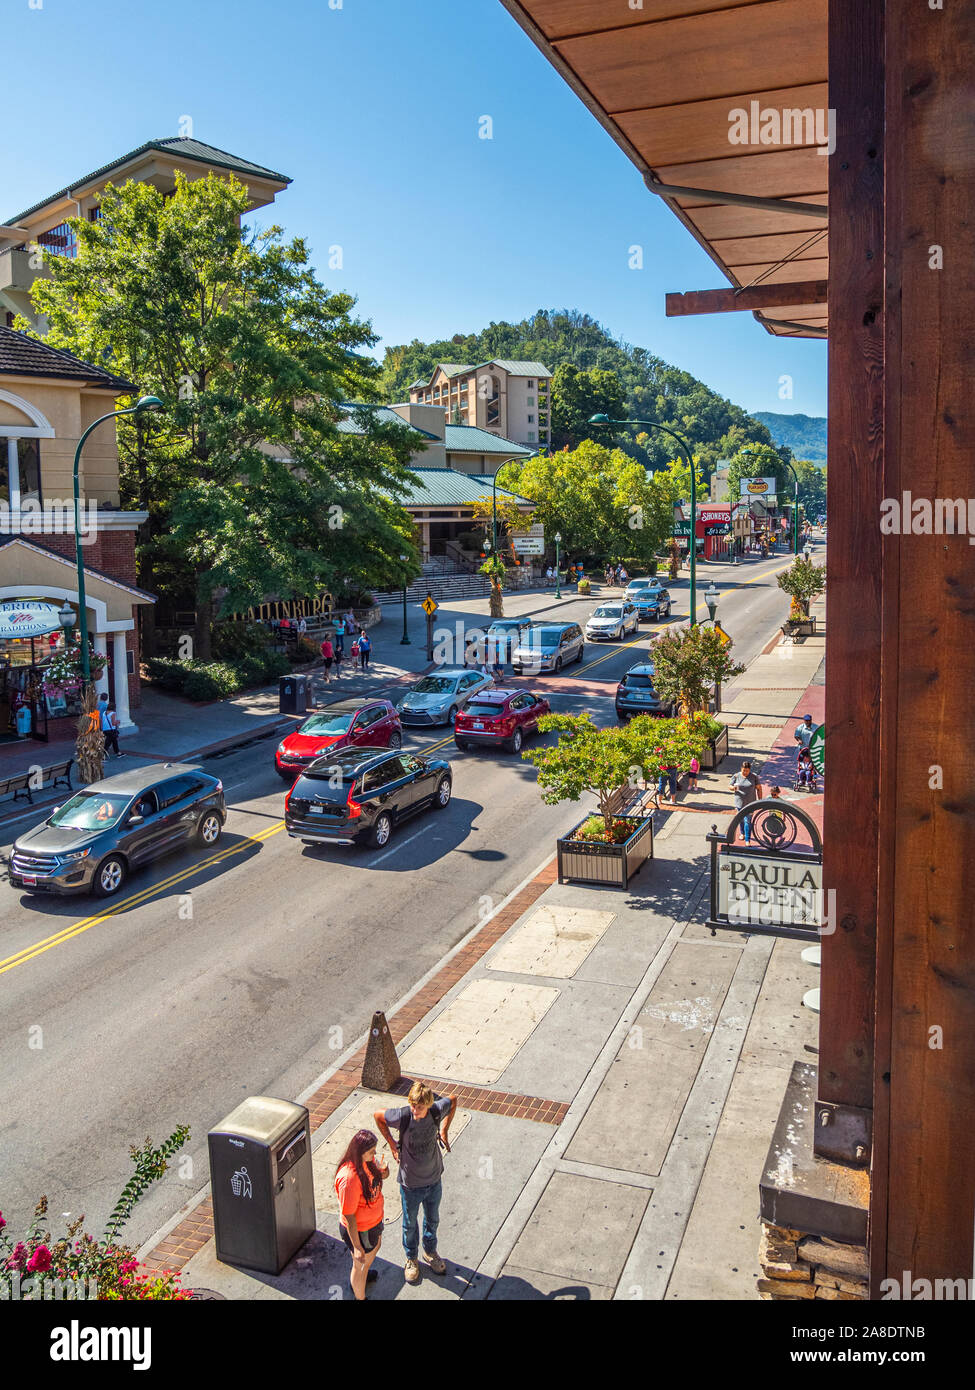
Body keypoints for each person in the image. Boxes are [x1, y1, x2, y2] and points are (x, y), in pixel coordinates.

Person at [374, 1081, 456, 1285]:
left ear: (429, 1104)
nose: (415, 1110)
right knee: (409, 1224)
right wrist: (392, 1144)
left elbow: (453, 1100)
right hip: (410, 1184)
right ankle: (411, 1258)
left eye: (419, 1107)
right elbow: (378, 1115)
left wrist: (444, 1130)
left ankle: (430, 1252)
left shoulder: (436, 1110)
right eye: (412, 1105)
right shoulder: (403, 1116)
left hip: (434, 1179)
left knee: (432, 1219)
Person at [334, 1129, 388, 1302]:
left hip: (373, 1223)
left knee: (372, 1252)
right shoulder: (349, 1179)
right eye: (371, 1151)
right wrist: (357, 1247)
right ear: (360, 1151)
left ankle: (361, 1279)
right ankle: (360, 1295)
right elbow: (349, 1216)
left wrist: (384, 1172)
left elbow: (378, 1178)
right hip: (361, 1230)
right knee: (360, 1266)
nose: (374, 1154)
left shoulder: (368, 1162)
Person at [730, 759, 763, 843]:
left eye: (747, 771)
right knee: (741, 819)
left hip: (750, 803)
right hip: (739, 803)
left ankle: (747, 839)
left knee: (747, 821)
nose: (745, 772)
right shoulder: (736, 776)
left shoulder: (754, 777)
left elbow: (759, 788)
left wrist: (760, 800)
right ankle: (742, 833)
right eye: (744, 770)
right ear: (741, 769)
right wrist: (733, 788)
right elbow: (729, 786)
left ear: (750, 770)